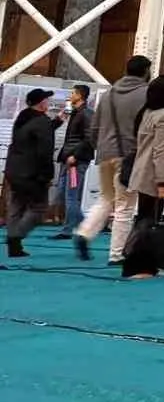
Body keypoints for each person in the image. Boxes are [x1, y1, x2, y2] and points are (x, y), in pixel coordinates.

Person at [74, 55, 151, 263]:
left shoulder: (108, 94)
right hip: (129, 156)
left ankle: (84, 232)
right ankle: (116, 254)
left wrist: (102, 146)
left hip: (105, 153)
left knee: (106, 198)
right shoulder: (146, 94)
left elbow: (95, 129)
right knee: (125, 205)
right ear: (146, 71)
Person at [124, 75, 164, 277]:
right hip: (155, 175)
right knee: (149, 222)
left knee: (144, 218)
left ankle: (140, 263)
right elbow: (161, 151)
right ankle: (140, 264)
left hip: (142, 172)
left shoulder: (147, 113)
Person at [4, 89, 57, 257]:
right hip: (32, 174)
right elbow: (44, 151)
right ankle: (16, 235)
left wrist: (55, 124)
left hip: (14, 170)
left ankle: (14, 247)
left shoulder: (23, 118)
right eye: (47, 100)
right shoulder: (42, 122)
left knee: (16, 207)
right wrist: (47, 175)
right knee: (39, 208)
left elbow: (30, 137)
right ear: (41, 103)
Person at [51, 84, 94, 240]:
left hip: (76, 161)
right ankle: (85, 224)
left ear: (80, 95)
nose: (70, 95)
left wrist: (76, 155)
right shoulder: (75, 113)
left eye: (72, 93)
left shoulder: (86, 114)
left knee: (71, 194)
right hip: (67, 158)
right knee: (62, 193)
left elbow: (90, 138)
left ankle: (70, 229)